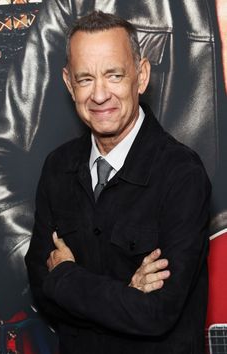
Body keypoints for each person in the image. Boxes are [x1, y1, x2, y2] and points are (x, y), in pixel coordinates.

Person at [25, 11, 211, 354]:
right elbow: (41, 289)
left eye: (114, 75)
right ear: (68, 83)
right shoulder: (57, 168)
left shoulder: (182, 174)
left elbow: (157, 313)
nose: (99, 95)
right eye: (85, 79)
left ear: (140, 77)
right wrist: (127, 294)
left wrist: (67, 277)